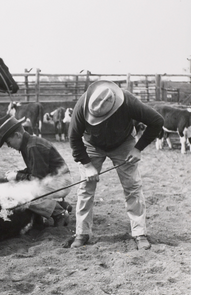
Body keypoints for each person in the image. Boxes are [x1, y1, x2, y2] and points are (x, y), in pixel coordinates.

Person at [68, 80, 164, 250]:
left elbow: (157, 121)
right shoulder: (81, 106)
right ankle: (82, 232)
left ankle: (139, 232)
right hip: (92, 145)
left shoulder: (128, 101)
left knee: (133, 186)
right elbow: (74, 138)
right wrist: (87, 164)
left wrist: (138, 148)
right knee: (85, 188)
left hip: (123, 144)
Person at [0, 116, 72, 227]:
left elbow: (36, 179)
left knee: (23, 195)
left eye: (8, 142)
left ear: (17, 135)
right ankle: (60, 205)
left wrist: (17, 175)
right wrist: (17, 173)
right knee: (20, 186)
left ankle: (59, 213)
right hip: (52, 179)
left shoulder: (33, 146)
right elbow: (34, 170)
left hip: (61, 182)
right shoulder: (28, 144)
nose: (9, 146)